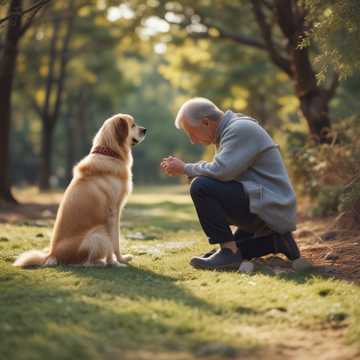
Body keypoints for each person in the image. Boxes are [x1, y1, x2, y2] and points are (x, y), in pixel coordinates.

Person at [160, 97, 301, 271]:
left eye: (192, 133)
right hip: (265, 201)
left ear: (206, 122)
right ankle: (277, 242)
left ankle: (228, 252)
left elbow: (221, 171)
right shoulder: (231, 129)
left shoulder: (239, 129)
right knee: (239, 246)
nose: (192, 140)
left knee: (200, 187)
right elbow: (226, 174)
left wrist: (185, 168)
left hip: (269, 204)